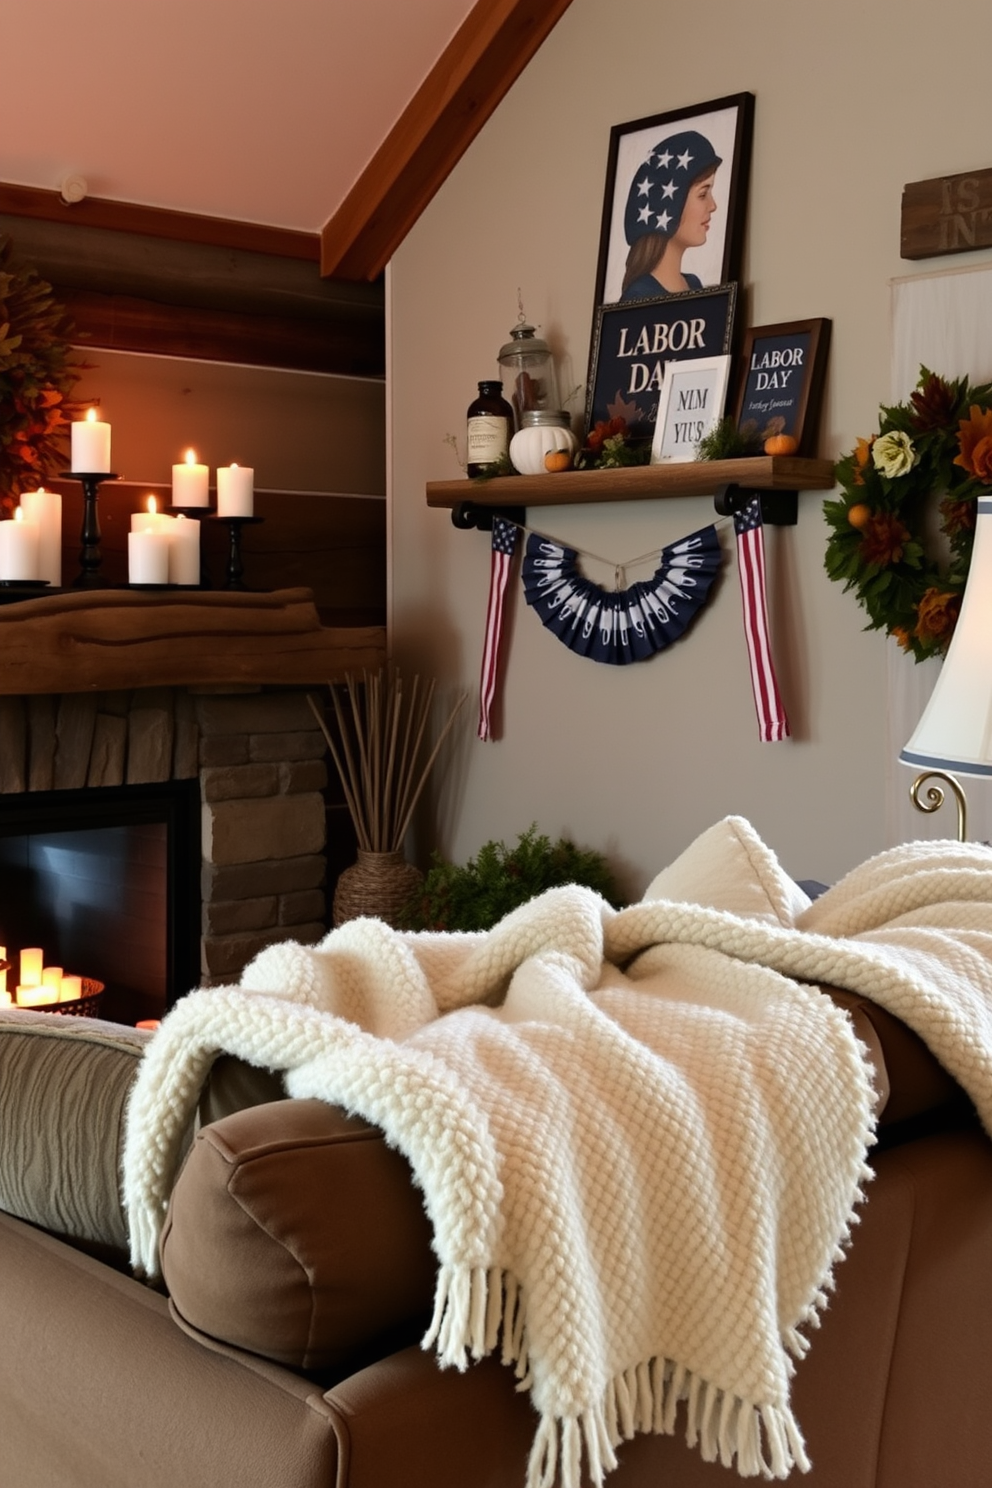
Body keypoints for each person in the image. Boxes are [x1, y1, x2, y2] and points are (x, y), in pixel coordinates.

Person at [620, 129, 721, 302]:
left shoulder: (694, 285)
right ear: (670, 204)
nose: (713, 206)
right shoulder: (639, 296)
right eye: (702, 195)